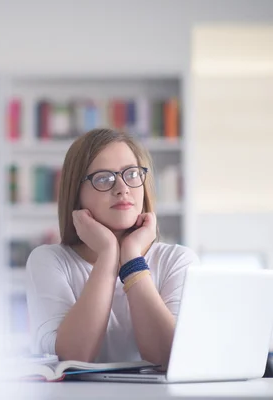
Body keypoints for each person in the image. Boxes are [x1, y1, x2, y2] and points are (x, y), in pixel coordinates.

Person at [26, 128, 199, 367]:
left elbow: (169, 356)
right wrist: (108, 254)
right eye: (103, 178)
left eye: (132, 174)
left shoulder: (178, 260)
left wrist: (131, 258)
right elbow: (74, 356)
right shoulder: (49, 260)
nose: (122, 188)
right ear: (76, 194)